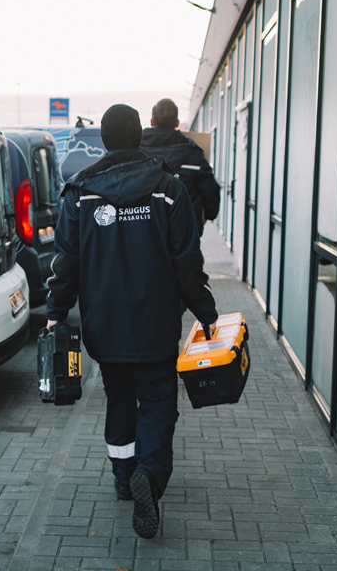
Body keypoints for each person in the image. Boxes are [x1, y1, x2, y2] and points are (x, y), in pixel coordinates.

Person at [45, 104, 218, 539]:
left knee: (119, 398)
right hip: (156, 324)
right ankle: (151, 475)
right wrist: (206, 311)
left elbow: (66, 262)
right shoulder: (168, 189)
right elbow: (187, 263)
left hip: (106, 326)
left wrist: (55, 312)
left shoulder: (79, 192)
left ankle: (125, 478)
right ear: (138, 138)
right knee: (158, 403)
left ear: (102, 140)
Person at [141, 98, 220, 237]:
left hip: (147, 233)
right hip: (186, 235)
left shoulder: (137, 154)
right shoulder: (194, 155)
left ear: (152, 121)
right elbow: (211, 192)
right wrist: (206, 216)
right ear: (177, 123)